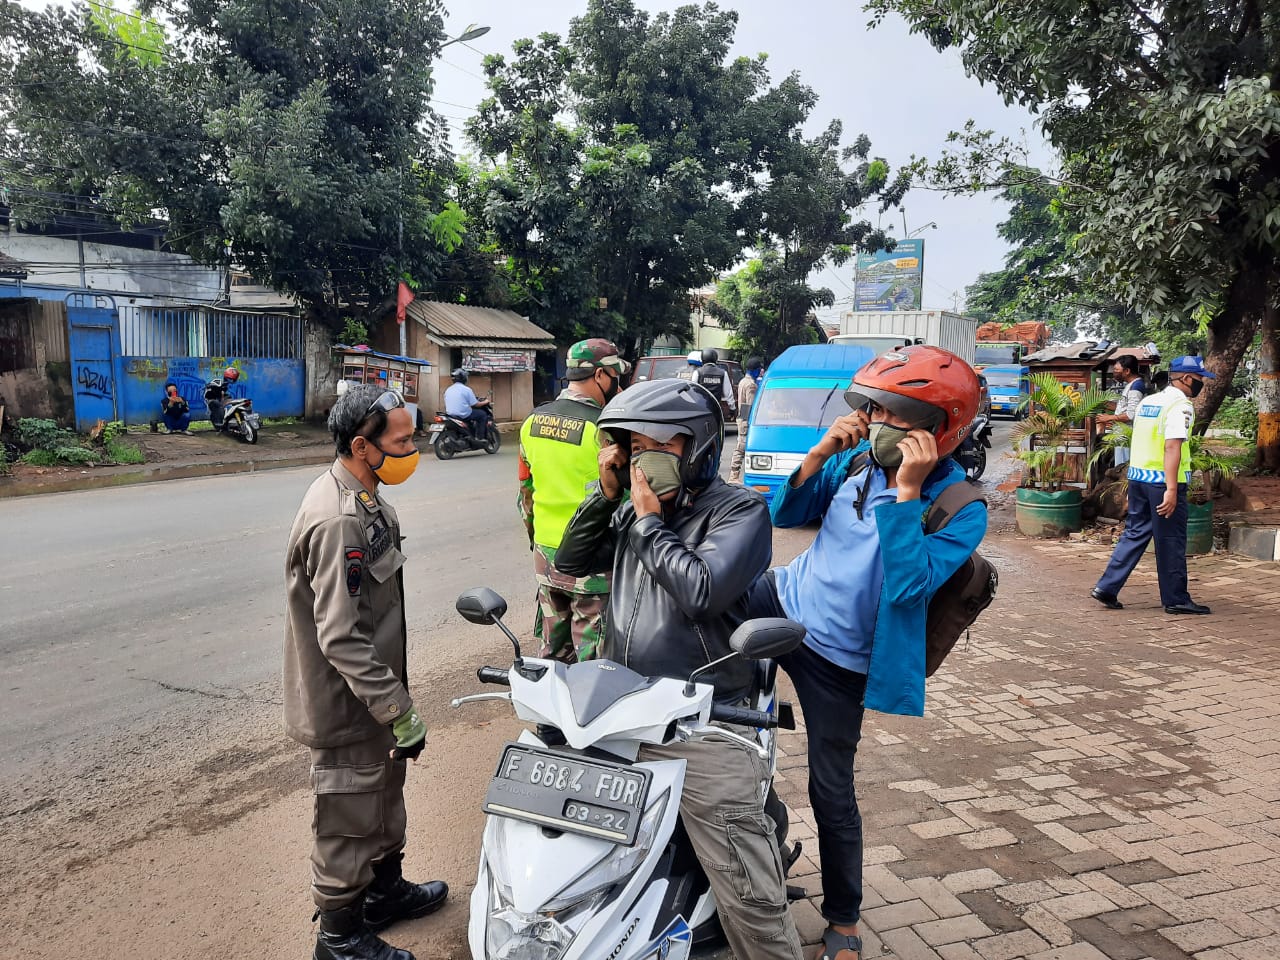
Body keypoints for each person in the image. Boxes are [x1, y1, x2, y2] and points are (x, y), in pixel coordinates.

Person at [746, 345, 987, 960]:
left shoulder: (960, 509)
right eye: (874, 409)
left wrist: (907, 496)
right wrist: (824, 449)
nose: (878, 423)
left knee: (832, 790)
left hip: (842, 661)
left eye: (895, 415)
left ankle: (844, 919)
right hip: (782, 602)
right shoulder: (853, 460)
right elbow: (786, 512)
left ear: (940, 430)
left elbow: (908, 590)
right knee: (699, 683)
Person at [555, 378, 803, 960]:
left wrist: (645, 523)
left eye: (656, 448)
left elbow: (702, 591)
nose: (642, 462)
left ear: (698, 450)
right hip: (622, 707)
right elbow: (569, 562)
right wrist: (605, 495)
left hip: (705, 717)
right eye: (630, 448)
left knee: (748, 888)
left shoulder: (740, 511)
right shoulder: (632, 511)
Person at [283, 384, 447, 960]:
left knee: (383, 796)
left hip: (374, 697)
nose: (413, 447)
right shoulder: (338, 520)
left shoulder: (368, 499)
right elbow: (340, 636)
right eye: (401, 441)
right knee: (348, 815)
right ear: (362, 445)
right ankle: (339, 938)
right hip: (349, 703)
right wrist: (397, 709)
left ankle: (382, 894)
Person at [517, 338, 630, 662]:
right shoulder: (605, 429)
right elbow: (625, 500)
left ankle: (549, 715)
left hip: (546, 555)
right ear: (600, 376)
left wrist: (537, 542)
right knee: (593, 661)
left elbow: (526, 493)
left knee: (553, 653)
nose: (617, 384)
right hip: (592, 561)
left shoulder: (532, 421)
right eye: (615, 377)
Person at [1092, 355, 1214, 616]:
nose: (1202, 384)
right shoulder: (1180, 406)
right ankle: (1176, 598)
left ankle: (1107, 586)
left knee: (1135, 533)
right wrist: (1171, 489)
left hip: (1139, 479)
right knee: (1170, 540)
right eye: (1201, 379)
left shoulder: (1150, 401)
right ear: (1186, 379)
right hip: (1163, 483)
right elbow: (1172, 446)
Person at [1098, 355, 1146, 465]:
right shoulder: (1130, 385)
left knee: (1123, 465)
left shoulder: (1136, 387)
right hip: (1121, 435)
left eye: (1116, 370)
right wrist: (1103, 404)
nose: (1114, 372)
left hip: (1127, 436)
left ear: (1127, 371)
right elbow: (1124, 407)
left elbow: (1131, 415)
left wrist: (1108, 418)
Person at [728, 355, 763, 483]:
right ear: (755, 370)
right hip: (747, 418)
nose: (760, 371)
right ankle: (734, 476)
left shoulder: (743, 381)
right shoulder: (751, 385)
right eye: (759, 369)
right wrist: (751, 421)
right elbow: (751, 404)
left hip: (742, 416)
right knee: (741, 448)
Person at [443, 368, 492, 439]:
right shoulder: (466, 389)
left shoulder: (448, 389)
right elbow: (475, 404)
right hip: (463, 414)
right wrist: (485, 402)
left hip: (450, 414)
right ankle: (480, 438)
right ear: (463, 378)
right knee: (482, 414)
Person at [693, 347, 736, 419]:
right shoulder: (723, 373)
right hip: (716, 408)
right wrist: (732, 409)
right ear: (715, 359)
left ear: (703, 358)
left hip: (701, 409)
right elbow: (729, 394)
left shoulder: (698, 372)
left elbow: (693, 391)